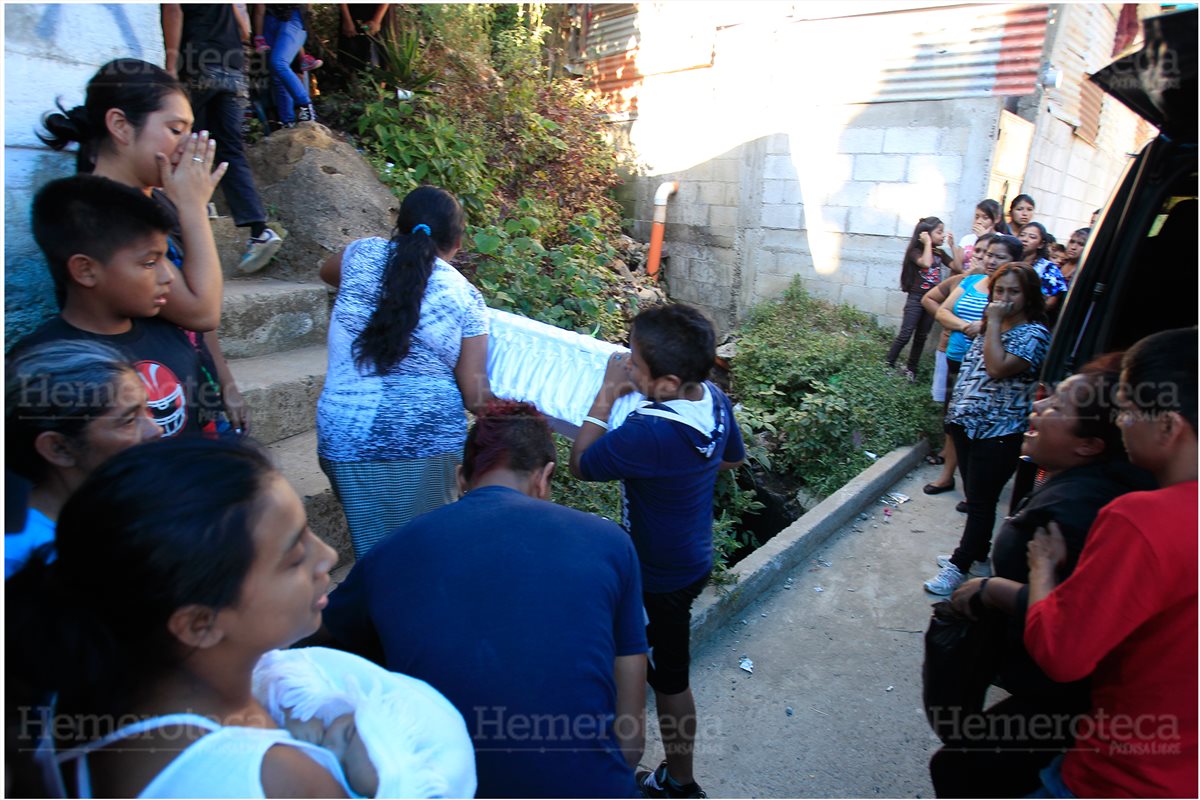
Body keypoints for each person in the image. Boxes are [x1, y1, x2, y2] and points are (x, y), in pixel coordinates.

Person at [321, 399, 648, 797]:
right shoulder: (610, 543)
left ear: (461, 477)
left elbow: (314, 653)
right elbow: (630, 744)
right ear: (544, 478)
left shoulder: (390, 553)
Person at [5, 437, 355, 797]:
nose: (327, 555)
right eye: (295, 558)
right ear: (199, 625)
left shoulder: (92, 693)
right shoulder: (276, 779)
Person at [927, 355, 1156, 797]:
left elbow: (1080, 628)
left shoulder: (1080, 513)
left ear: (1089, 444)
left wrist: (994, 591)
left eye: (1057, 406)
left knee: (962, 772)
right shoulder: (1083, 486)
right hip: (1051, 693)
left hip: (1064, 699)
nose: (1037, 407)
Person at [570, 303, 746, 799]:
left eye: (634, 363)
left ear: (667, 381)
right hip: (691, 558)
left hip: (656, 575)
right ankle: (676, 777)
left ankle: (665, 780)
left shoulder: (649, 431)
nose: (626, 364)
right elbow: (731, 460)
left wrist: (607, 394)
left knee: (657, 676)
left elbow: (581, 464)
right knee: (665, 669)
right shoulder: (712, 398)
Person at [1025, 328, 1197, 798]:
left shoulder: (1142, 521)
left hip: (1122, 778)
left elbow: (1061, 654)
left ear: (1168, 427)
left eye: (1126, 410)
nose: (1119, 423)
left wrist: (1042, 571)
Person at [38, 58, 249, 432]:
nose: (187, 146)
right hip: (146, 405)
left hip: (191, 380)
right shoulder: (103, 212)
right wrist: (195, 206)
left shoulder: (158, 199)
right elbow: (202, 310)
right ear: (120, 125)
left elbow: (199, 309)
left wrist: (224, 381)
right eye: (174, 129)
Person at [316, 185, 493, 558]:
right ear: (457, 242)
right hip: (424, 445)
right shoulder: (466, 297)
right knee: (421, 558)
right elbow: (476, 397)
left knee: (376, 550)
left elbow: (326, 271)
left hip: (344, 436)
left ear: (398, 225)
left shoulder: (360, 254)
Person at [10, 175, 215, 440]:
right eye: (150, 263)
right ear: (85, 270)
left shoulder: (173, 338)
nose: (169, 277)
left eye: (166, 258)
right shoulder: (39, 367)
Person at [924, 263, 1051, 595]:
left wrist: (991, 322)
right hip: (967, 425)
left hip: (999, 433)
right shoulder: (989, 327)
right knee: (976, 496)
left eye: (1013, 292)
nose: (1004, 299)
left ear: (1029, 296)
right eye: (999, 291)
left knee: (981, 503)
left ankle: (960, 564)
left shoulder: (1033, 334)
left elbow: (996, 368)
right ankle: (979, 557)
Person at [4, 340, 161, 579]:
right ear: (59, 448)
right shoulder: (19, 562)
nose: (156, 430)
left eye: (147, 409)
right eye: (128, 420)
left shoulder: (114, 510)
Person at [162, 3, 284, 273]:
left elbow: (173, 10)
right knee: (230, 149)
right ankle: (259, 231)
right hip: (233, 68)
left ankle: (196, 208)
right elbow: (245, 27)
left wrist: (171, 67)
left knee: (182, 139)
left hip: (198, 62)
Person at [924, 234, 1022, 495]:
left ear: (1014, 262)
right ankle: (947, 477)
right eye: (989, 254)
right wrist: (966, 327)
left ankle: (978, 490)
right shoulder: (972, 281)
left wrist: (988, 327)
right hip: (956, 359)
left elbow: (1019, 327)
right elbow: (943, 310)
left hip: (987, 369)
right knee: (953, 420)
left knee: (979, 427)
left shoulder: (1015, 292)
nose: (991, 260)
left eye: (1000, 257)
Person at [885, 217, 950, 381]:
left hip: (932, 300)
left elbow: (956, 266)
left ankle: (911, 369)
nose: (942, 235)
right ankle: (887, 364)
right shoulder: (916, 251)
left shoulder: (939, 252)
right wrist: (927, 243)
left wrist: (954, 245)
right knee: (906, 334)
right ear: (926, 235)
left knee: (921, 336)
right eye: (939, 232)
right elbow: (926, 263)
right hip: (916, 298)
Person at [254, 4, 318, 126]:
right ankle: (287, 121)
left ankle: (305, 106)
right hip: (270, 18)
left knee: (279, 62)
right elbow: (259, 8)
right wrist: (259, 35)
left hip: (292, 16)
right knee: (276, 74)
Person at [1017, 221, 1069, 312]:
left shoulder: (1048, 268)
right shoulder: (1009, 261)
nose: (1025, 239)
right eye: (1022, 235)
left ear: (1041, 244)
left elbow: (1051, 300)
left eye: (1032, 237)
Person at [338, 4, 392, 70]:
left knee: (380, 60)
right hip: (351, 15)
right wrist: (347, 20)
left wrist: (377, 20)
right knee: (350, 59)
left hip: (380, 15)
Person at [957, 199, 1002, 268]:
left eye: (985, 218)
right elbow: (957, 266)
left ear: (997, 219)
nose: (979, 221)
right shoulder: (966, 239)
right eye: (977, 217)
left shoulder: (1001, 240)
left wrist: (984, 238)